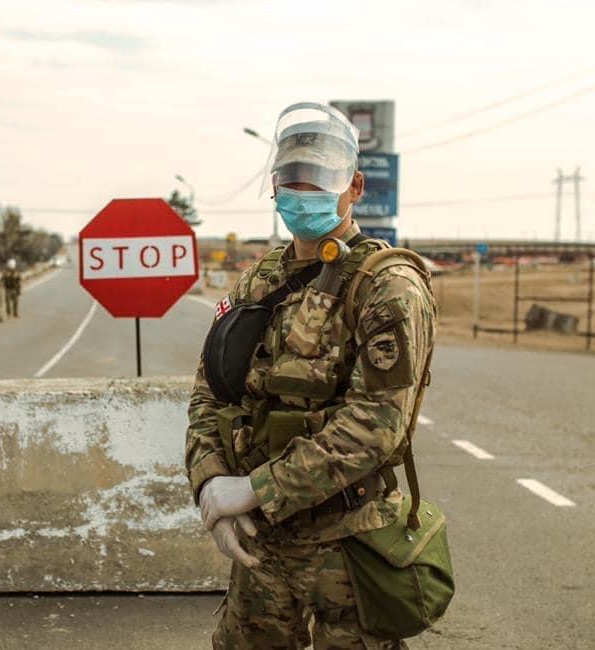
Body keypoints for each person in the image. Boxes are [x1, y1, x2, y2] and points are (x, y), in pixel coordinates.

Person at [186, 103, 437, 649]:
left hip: (347, 546)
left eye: (318, 178)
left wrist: (254, 489)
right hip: (262, 549)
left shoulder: (386, 286)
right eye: (289, 178)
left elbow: (376, 425)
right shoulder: (258, 280)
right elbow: (210, 390)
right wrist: (209, 484)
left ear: (355, 187)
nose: (302, 191)